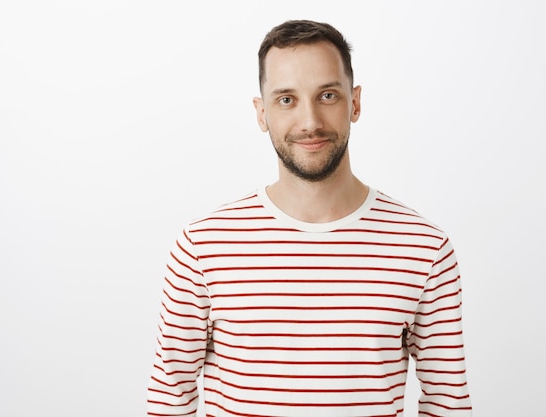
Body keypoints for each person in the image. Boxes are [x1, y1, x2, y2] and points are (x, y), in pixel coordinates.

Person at [147, 19, 472, 417]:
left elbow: (448, 405)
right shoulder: (201, 246)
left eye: (328, 95)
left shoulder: (425, 248)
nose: (310, 122)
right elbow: (170, 398)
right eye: (286, 99)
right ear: (261, 112)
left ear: (355, 103)